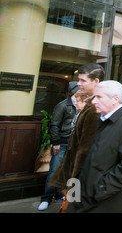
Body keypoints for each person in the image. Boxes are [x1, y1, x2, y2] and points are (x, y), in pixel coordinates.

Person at [66, 80, 122, 213]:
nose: (94, 101)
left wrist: (99, 190)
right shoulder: (102, 120)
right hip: (85, 196)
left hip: (103, 202)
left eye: (99, 97)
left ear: (115, 99)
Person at [49, 63, 104, 206]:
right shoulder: (90, 105)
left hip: (82, 175)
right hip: (77, 173)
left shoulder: (95, 108)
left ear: (96, 81)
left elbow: (85, 149)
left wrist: (73, 182)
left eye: (83, 81)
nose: (78, 84)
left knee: (74, 205)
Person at [38, 82, 79, 211]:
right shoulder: (62, 106)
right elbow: (54, 125)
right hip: (62, 142)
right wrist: (56, 142)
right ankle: (46, 198)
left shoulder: (82, 106)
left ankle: (64, 195)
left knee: (71, 171)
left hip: (75, 144)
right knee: (54, 170)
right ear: (73, 92)